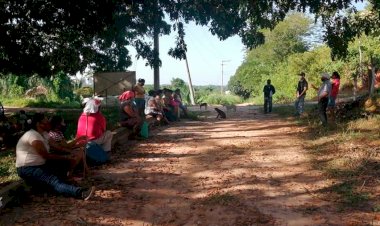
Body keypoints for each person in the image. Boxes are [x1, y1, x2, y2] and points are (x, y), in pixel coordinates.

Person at [16, 113, 95, 200]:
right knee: (53, 181)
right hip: (28, 168)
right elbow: (46, 155)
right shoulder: (33, 136)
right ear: (39, 124)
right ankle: (80, 193)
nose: (48, 123)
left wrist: (71, 153)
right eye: (46, 121)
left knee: (61, 170)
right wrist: (67, 157)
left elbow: (59, 147)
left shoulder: (45, 134)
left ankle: (54, 186)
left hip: (41, 165)